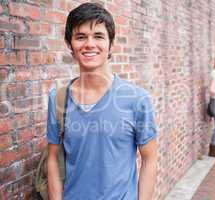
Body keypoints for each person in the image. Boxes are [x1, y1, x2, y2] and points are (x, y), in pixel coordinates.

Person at [46, 3, 158, 200]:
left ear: (110, 44)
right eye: (81, 37)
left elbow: (150, 159)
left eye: (98, 36)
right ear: (70, 44)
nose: (89, 44)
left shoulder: (137, 99)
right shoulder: (58, 99)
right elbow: (53, 158)